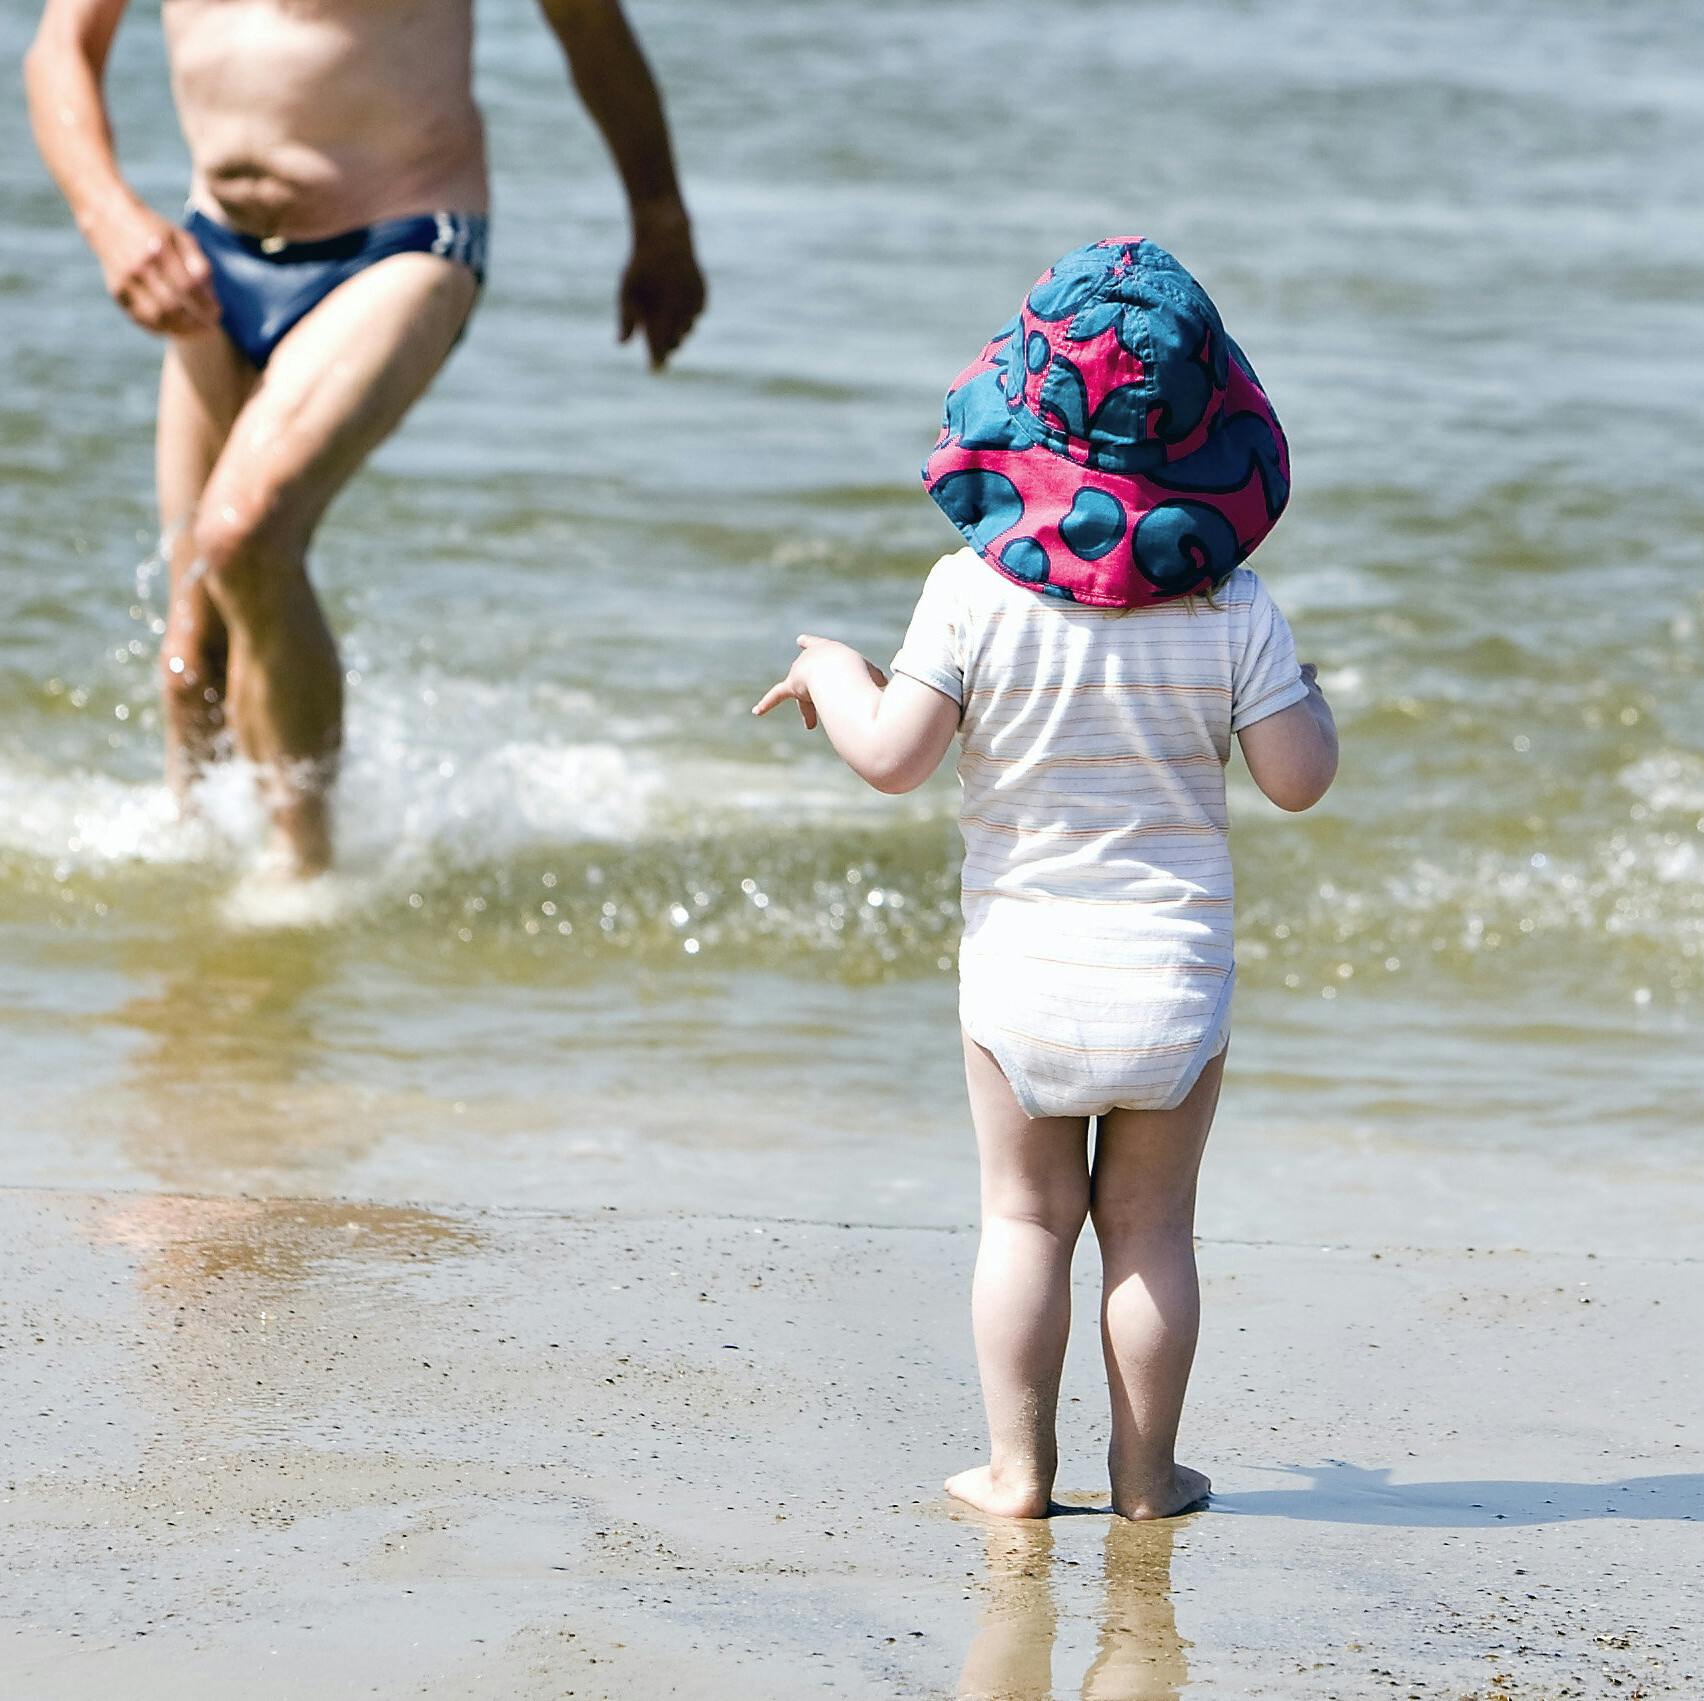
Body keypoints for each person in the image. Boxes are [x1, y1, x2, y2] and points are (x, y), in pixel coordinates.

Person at [753, 238, 1339, 1521]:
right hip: (1172, 986)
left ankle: (1019, 1471)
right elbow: (1299, 778)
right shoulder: (1234, 610)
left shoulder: (968, 594)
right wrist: (1310, 698)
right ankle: (1146, 1476)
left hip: (1021, 981)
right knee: (1151, 1237)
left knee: (1025, 1228)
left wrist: (832, 670)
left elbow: (895, 760)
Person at [23, 0, 706, 876]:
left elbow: (586, 25)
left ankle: (302, 878)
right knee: (193, 657)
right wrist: (109, 217)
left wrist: (661, 220)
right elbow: (60, 48)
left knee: (246, 533)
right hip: (213, 248)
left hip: (403, 238)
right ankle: (198, 915)